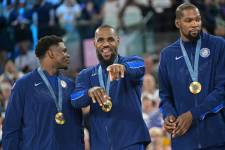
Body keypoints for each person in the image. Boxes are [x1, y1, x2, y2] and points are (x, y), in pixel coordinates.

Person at [71, 25, 150, 150]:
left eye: (110, 39)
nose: (105, 44)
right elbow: (75, 99)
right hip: (101, 144)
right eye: (100, 40)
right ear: (94, 43)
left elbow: (140, 67)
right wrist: (88, 93)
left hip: (131, 141)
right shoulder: (86, 75)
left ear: (118, 41)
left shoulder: (131, 61)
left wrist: (124, 68)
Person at [158, 3, 225, 150]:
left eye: (198, 19)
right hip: (184, 141)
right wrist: (168, 115)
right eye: (189, 21)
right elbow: (165, 96)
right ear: (177, 23)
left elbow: (222, 91)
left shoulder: (218, 45)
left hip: (216, 138)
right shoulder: (167, 55)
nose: (195, 24)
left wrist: (192, 115)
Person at [2, 35, 84, 150]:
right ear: (50, 53)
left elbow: (78, 126)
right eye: (64, 51)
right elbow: (11, 129)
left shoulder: (70, 85)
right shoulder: (23, 85)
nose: (68, 55)